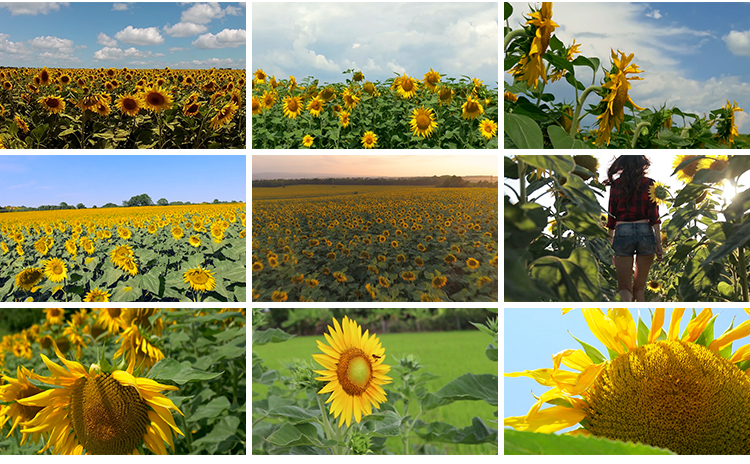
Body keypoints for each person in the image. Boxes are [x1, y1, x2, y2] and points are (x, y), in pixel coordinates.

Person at [603, 155, 664, 302]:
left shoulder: (616, 184)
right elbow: (654, 215)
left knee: (624, 289)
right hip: (645, 232)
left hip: (622, 230)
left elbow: (612, 216)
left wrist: (609, 244)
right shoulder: (650, 183)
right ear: (642, 165)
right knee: (640, 288)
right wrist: (658, 243)